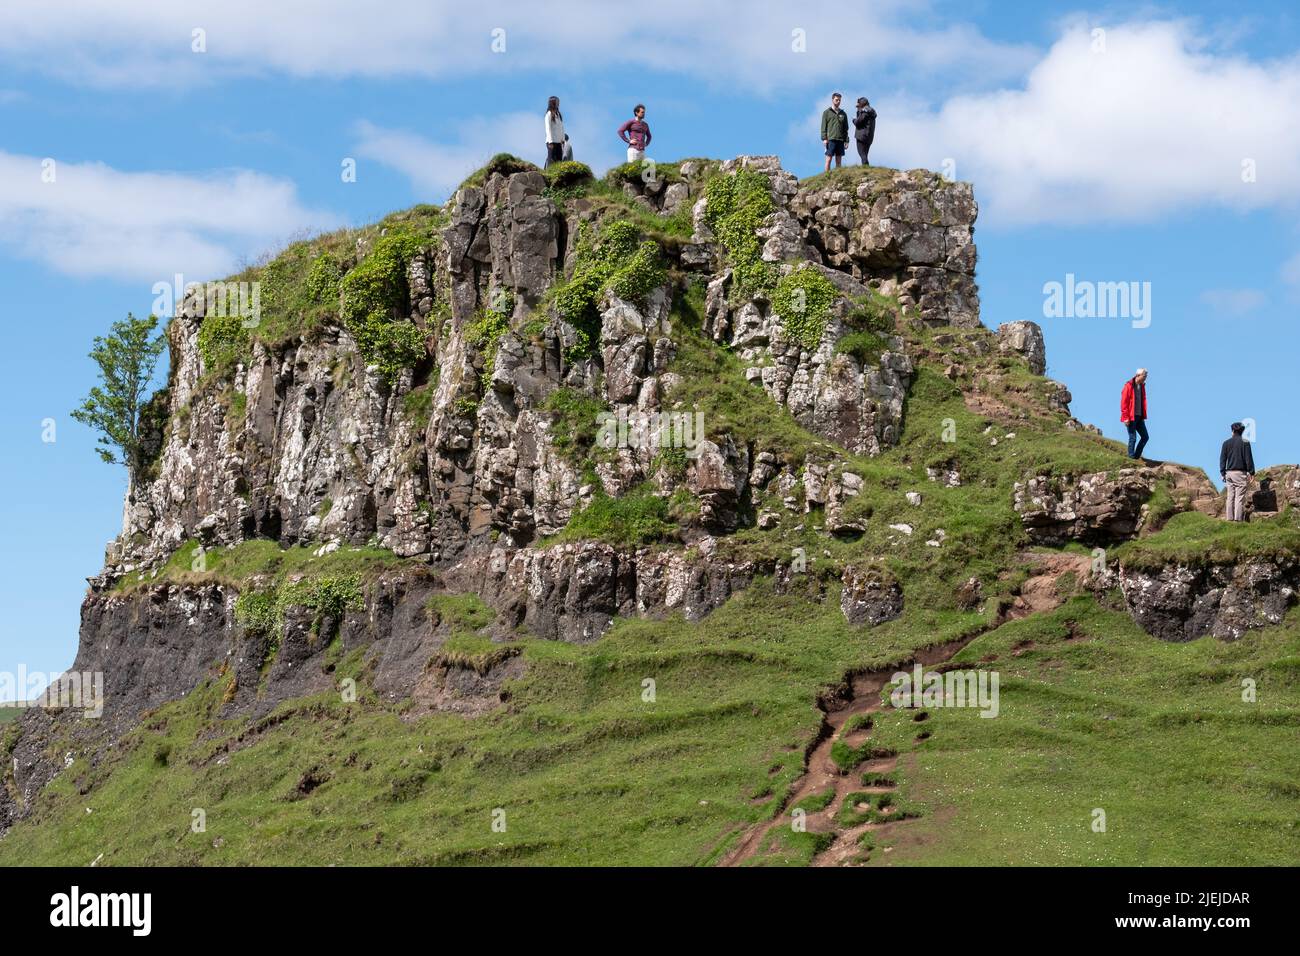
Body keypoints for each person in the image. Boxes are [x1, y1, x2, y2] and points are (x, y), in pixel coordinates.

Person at [1220, 422, 1256, 521]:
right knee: (1239, 498)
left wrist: (1222, 473)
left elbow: (1223, 459)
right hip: (1240, 473)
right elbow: (1248, 459)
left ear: (1233, 431)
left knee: (1230, 496)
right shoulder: (1245, 442)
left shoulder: (1226, 443)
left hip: (1229, 473)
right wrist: (1251, 472)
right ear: (1242, 431)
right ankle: (1238, 519)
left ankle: (1229, 518)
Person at [1120, 368, 1149, 459]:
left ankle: (1136, 457)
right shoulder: (1128, 386)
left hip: (1140, 417)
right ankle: (1130, 457)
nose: (1145, 378)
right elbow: (1123, 403)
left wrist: (1143, 415)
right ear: (1138, 375)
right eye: (1144, 376)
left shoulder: (1142, 386)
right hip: (1131, 417)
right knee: (1133, 438)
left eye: (1146, 376)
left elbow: (1142, 401)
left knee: (1145, 437)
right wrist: (1125, 417)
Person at [821, 92, 849, 171]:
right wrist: (824, 139)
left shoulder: (843, 114)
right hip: (831, 139)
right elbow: (823, 127)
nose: (838, 101)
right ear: (832, 100)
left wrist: (846, 141)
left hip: (840, 140)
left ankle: (838, 177)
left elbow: (845, 129)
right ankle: (826, 176)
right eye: (837, 100)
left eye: (840, 100)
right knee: (828, 159)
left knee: (838, 161)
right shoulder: (826, 112)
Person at [853, 96, 877, 165]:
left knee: (862, 154)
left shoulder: (864, 111)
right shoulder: (871, 111)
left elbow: (858, 122)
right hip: (869, 137)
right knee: (865, 154)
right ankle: (865, 168)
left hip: (861, 136)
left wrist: (854, 119)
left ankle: (866, 168)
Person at [544, 96, 565, 168]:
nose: (558, 103)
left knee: (559, 160)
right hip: (552, 142)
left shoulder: (558, 115)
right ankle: (549, 174)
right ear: (553, 102)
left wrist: (563, 139)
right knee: (551, 160)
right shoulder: (549, 114)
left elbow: (561, 128)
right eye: (557, 101)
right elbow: (548, 128)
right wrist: (550, 142)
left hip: (559, 142)